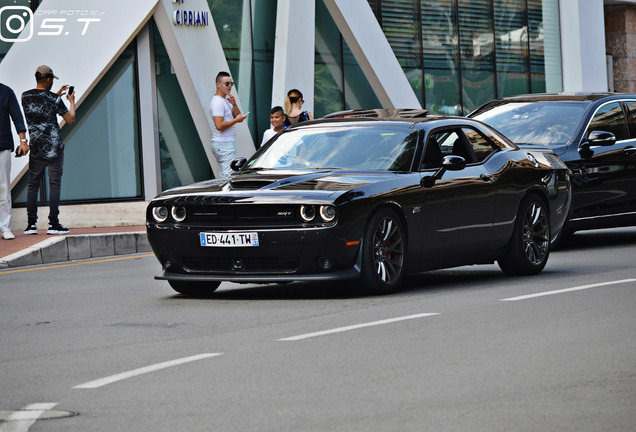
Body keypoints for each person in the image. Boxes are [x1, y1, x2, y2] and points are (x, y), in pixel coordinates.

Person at [21, 65, 75, 235]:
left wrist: (55, 97)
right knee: (54, 185)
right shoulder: (53, 99)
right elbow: (71, 119)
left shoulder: (25, 96)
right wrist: (71, 101)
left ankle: (31, 225)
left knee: (32, 186)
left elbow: (40, 109)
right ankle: (53, 224)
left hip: (36, 147)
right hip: (54, 148)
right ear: (49, 79)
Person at [0, 83, 29, 240]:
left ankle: (5, 227)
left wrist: (23, 140)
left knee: (4, 189)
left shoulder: (6, 92)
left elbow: (17, 116)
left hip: (2, 146)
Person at [209, 71, 248, 178]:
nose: (230, 86)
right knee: (228, 176)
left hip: (225, 143)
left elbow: (238, 117)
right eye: (227, 83)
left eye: (231, 84)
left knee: (227, 174)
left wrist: (234, 105)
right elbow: (219, 125)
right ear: (218, 84)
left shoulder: (224, 100)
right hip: (224, 144)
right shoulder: (218, 102)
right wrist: (236, 120)